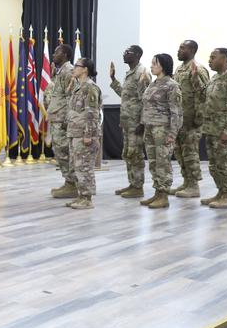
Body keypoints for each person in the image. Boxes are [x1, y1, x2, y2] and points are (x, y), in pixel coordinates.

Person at [200, 48, 227, 209]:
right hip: (211, 128)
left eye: (213, 57)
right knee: (214, 164)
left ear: (224, 59)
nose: (209, 60)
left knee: (225, 163)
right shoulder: (214, 78)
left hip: (224, 131)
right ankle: (220, 192)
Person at [138, 54, 183, 208]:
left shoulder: (172, 85)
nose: (151, 66)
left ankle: (163, 196)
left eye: (154, 63)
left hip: (162, 129)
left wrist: (172, 133)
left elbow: (176, 111)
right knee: (153, 162)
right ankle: (157, 193)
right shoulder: (153, 84)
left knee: (163, 162)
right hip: (150, 127)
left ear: (163, 65)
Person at [110, 45, 151, 198]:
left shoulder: (142, 73)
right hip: (128, 121)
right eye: (124, 52)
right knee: (128, 153)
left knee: (136, 154)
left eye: (129, 52)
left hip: (136, 123)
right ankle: (132, 183)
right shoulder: (130, 73)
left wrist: (142, 122)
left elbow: (145, 100)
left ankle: (138, 187)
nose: (125, 54)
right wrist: (113, 80)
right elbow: (126, 96)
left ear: (138, 55)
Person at [171, 40, 210, 198]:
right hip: (179, 120)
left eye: (182, 48)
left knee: (190, 153)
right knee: (180, 153)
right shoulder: (179, 69)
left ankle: (194, 185)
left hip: (192, 120)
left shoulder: (198, 69)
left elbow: (205, 95)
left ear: (192, 50)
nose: (179, 50)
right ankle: (186, 181)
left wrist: (198, 118)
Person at [66, 58, 102, 209]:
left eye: (77, 66)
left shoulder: (90, 88)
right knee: (77, 166)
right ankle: (81, 196)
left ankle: (87, 199)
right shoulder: (78, 87)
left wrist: (89, 134)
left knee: (85, 166)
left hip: (84, 134)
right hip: (75, 132)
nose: (73, 68)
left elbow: (92, 113)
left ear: (85, 69)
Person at [45, 44, 77, 198]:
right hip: (56, 118)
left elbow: (72, 96)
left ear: (64, 54)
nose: (53, 53)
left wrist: (67, 118)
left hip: (63, 120)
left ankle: (72, 184)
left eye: (57, 51)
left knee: (64, 152)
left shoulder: (69, 71)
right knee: (60, 152)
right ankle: (69, 182)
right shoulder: (60, 72)